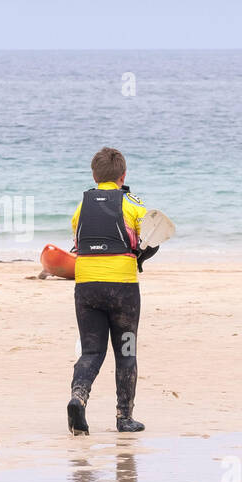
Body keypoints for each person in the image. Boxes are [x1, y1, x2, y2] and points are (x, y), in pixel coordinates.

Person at [66, 147, 151, 436]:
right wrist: (141, 256)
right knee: (126, 351)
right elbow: (152, 238)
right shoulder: (132, 203)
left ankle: (78, 398)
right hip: (123, 291)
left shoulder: (81, 207)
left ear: (94, 175)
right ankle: (124, 417)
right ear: (123, 175)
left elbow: (78, 239)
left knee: (91, 351)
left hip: (87, 288)